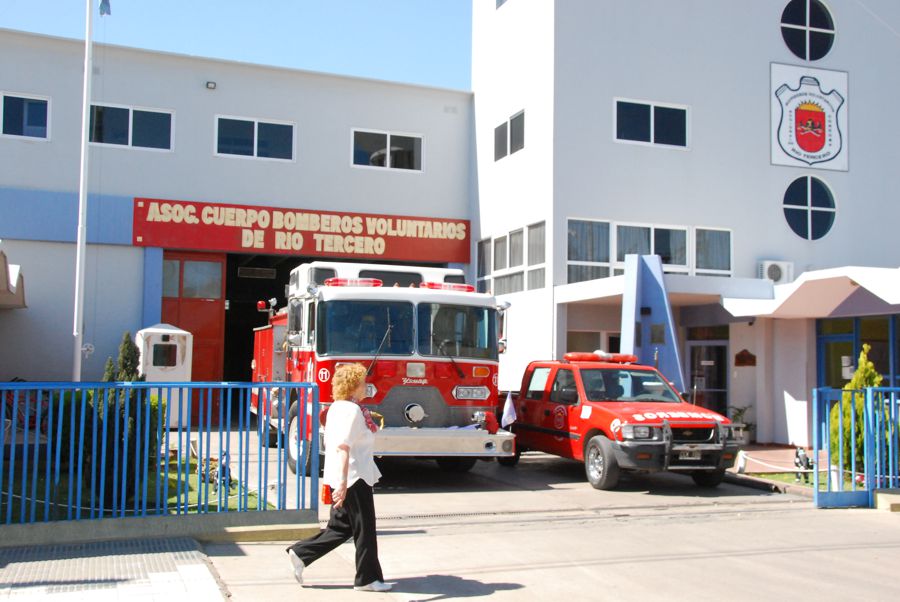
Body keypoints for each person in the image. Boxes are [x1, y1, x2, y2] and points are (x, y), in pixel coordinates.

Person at [285, 363, 391, 592]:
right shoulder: (351, 411)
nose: (366, 386)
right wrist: (343, 484)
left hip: (345, 474)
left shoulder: (337, 408)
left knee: (341, 527)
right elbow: (344, 446)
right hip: (353, 477)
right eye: (363, 383)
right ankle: (368, 579)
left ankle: (301, 553)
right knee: (365, 528)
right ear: (354, 386)